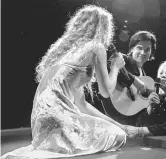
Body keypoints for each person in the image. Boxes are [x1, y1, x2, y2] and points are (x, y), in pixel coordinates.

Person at [2, 5, 128, 159]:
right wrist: (115, 67)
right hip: (59, 120)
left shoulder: (64, 54)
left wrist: (118, 123)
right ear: (104, 29)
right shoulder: (96, 47)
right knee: (119, 137)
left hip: (40, 126)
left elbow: (82, 105)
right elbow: (106, 91)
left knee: (114, 129)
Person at [98, 30, 157, 125]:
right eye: (139, 48)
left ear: (151, 53)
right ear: (132, 48)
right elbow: (109, 66)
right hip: (116, 114)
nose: (143, 52)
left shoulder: (144, 73)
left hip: (130, 115)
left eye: (147, 50)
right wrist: (135, 80)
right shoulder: (123, 59)